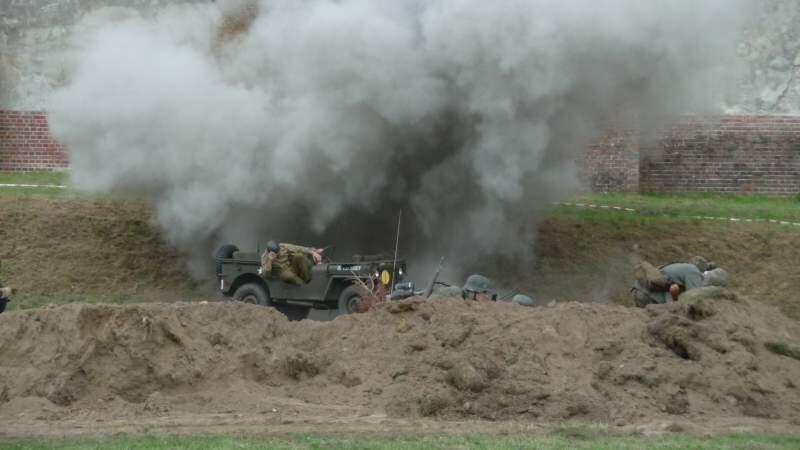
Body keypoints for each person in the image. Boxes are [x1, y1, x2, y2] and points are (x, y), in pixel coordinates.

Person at [632, 256, 714, 307]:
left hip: (638, 290)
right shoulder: (693, 271)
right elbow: (694, 295)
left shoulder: (679, 267)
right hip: (648, 296)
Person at [260, 240, 324, 286]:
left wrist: (313, 252)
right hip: (282, 271)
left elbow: (297, 248)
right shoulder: (264, 257)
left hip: (290, 266)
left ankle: (307, 279)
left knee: (299, 256)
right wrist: (270, 260)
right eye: (277, 252)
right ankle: (303, 285)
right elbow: (266, 275)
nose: (279, 252)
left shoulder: (282, 246)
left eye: (279, 250)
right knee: (288, 275)